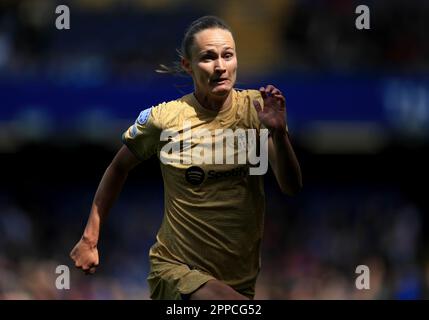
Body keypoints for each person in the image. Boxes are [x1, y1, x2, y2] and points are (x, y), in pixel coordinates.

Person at [70, 15, 302, 300]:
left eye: (227, 55)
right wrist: (90, 238)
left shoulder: (257, 109)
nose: (220, 66)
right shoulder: (165, 119)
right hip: (176, 273)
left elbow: (291, 186)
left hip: (238, 281)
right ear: (187, 66)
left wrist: (279, 134)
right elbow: (118, 168)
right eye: (208, 57)